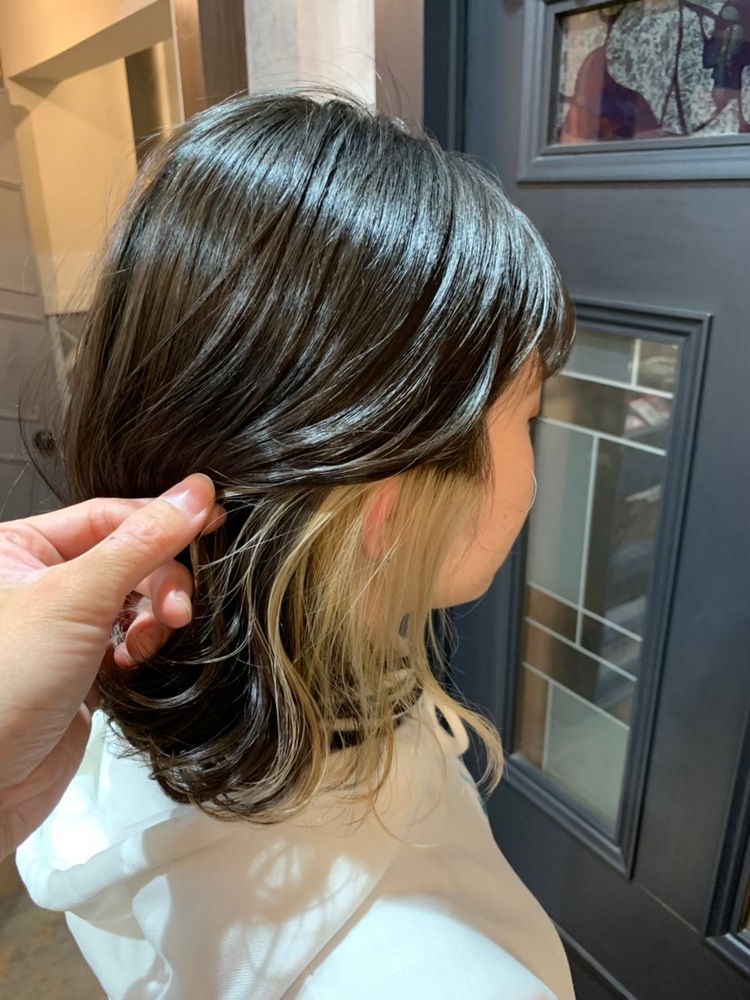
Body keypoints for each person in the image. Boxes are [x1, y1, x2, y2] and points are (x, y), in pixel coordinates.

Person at [15, 91, 577, 1000]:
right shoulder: (443, 979)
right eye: (528, 418)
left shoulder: (94, 728)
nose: (534, 467)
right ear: (388, 507)